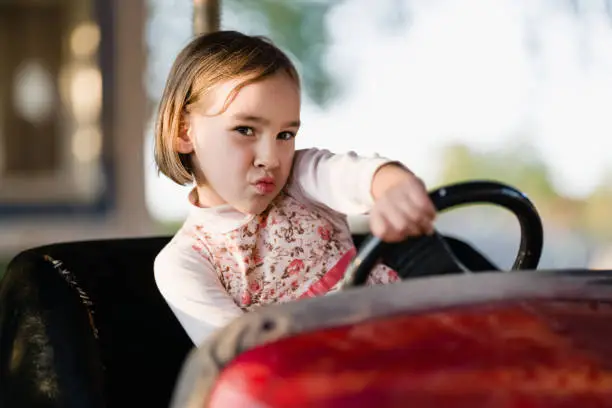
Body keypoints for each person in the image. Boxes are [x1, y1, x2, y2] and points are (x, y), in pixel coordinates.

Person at [153, 30, 436, 346]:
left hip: (405, 340)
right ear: (184, 132)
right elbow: (243, 360)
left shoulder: (301, 180)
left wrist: (393, 186)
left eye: (285, 135)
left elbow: (354, 175)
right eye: (245, 130)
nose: (271, 159)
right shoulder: (186, 262)